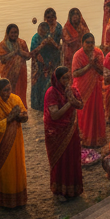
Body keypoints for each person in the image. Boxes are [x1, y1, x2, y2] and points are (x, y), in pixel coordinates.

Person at [0, 78, 28, 208]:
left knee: (17, 166)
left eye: (9, 89)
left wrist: (21, 116)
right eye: (5, 90)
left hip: (16, 141)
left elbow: (24, 115)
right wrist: (10, 117)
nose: (8, 93)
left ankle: (18, 198)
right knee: (5, 170)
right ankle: (4, 201)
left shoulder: (15, 99)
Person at [44, 66, 84, 199]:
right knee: (61, 161)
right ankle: (60, 191)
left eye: (69, 77)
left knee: (73, 158)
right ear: (57, 79)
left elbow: (80, 104)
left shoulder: (71, 90)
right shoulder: (52, 92)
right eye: (64, 78)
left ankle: (73, 188)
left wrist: (71, 98)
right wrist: (69, 103)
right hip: (56, 133)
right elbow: (54, 115)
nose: (67, 80)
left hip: (71, 130)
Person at [72, 32, 106, 148]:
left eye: (92, 42)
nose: (90, 45)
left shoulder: (99, 53)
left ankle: (98, 139)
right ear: (82, 43)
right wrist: (89, 66)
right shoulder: (78, 55)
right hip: (83, 87)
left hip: (96, 86)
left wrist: (95, 65)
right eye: (88, 42)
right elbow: (75, 73)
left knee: (97, 111)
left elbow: (103, 72)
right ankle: (85, 139)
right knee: (84, 113)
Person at [31, 9, 62, 112]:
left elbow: (59, 46)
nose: (50, 18)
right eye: (48, 17)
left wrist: (52, 42)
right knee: (40, 84)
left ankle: (53, 102)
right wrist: (43, 43)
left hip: (53, 60)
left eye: (52, 16)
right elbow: (33, 51)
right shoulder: (36, 38)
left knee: (51, 81)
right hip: (40, 64)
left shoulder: (58, 28)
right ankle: (39, 106)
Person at [0, 23, 32, 109]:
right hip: (8, 73)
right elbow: (2, 59)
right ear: (8, 33)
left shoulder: (22, 42)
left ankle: (21, 108)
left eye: (16, 32)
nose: (14, 35)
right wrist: (14, 53)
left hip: (21, 73)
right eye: (12, 33)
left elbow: (28, 56)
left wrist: (21, 52)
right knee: (9, 91)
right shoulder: (3, 44)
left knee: (21, 90)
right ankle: (9, 108)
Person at [62, 9, 91, 83]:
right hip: (70, 57)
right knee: (71, 78)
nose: (75, 17)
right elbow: (68, 40)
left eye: (77, 15)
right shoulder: (66, 28)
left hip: (82, 56)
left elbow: (88, 37)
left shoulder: (83, 27)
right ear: (70, 17)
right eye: (73, 15)